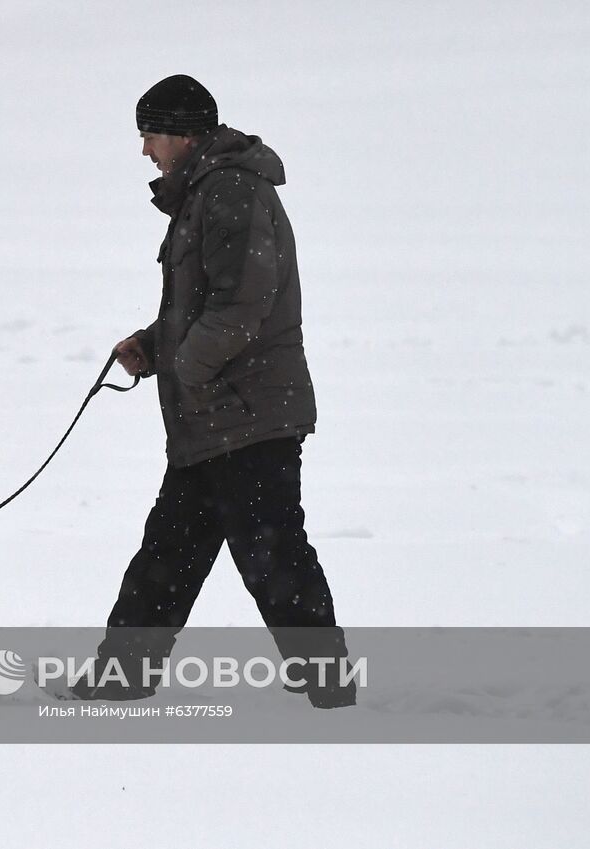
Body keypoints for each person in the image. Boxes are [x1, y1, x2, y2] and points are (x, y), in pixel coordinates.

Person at [81, 75, 354, 708]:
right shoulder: (208, 192)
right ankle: (119, 680)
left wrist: (186, 368)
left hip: (248, 416)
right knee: (169, 554)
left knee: (272, 553)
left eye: (151, 135)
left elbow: (242, 304)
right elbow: (206, 303)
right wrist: (154, 346)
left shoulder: (231, 190)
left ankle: (330, 691)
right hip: (217, 418)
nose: (146, 150)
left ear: (182, 134)